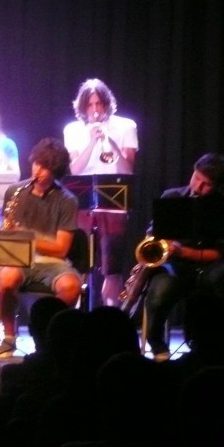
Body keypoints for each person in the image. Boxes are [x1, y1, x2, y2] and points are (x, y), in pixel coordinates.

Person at [141, 153, 224, 361]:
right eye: (196, 178)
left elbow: (221, 253)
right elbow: (152, 236)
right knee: (160, 290)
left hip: (211, 268)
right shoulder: (171, 197)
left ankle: (213, 344)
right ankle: (158, 347)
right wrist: (156, 243)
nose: (198, 187)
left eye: (206, 184)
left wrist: (182, 251)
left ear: (218, 186)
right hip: (174, 268)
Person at [0, 138, 82, 357]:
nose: (38, 171)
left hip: (52, 262)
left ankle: (48, 335)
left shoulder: (67, 200)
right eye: (36, 164)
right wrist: (8, 233)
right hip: (17, 258)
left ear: (56, 172)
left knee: (72, 287)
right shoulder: (14, 191)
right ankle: (9, 337)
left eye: (45, 167)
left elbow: (61, 249)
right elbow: (5, 234)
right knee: (6, 279)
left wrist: (26, 236)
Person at [63, 78, 138, 307]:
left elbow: (128, 169)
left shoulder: (126, 126)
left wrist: (110, 141)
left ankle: (110, 315)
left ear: (107, 103)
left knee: (111, 268)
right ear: (83, 107)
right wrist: (91, 142)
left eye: (99, 104)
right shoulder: (73, 129)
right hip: (83, 205)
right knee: (79, 264)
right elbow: (75, 170)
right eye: (90, 105)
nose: (95, 110)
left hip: (113, 206)